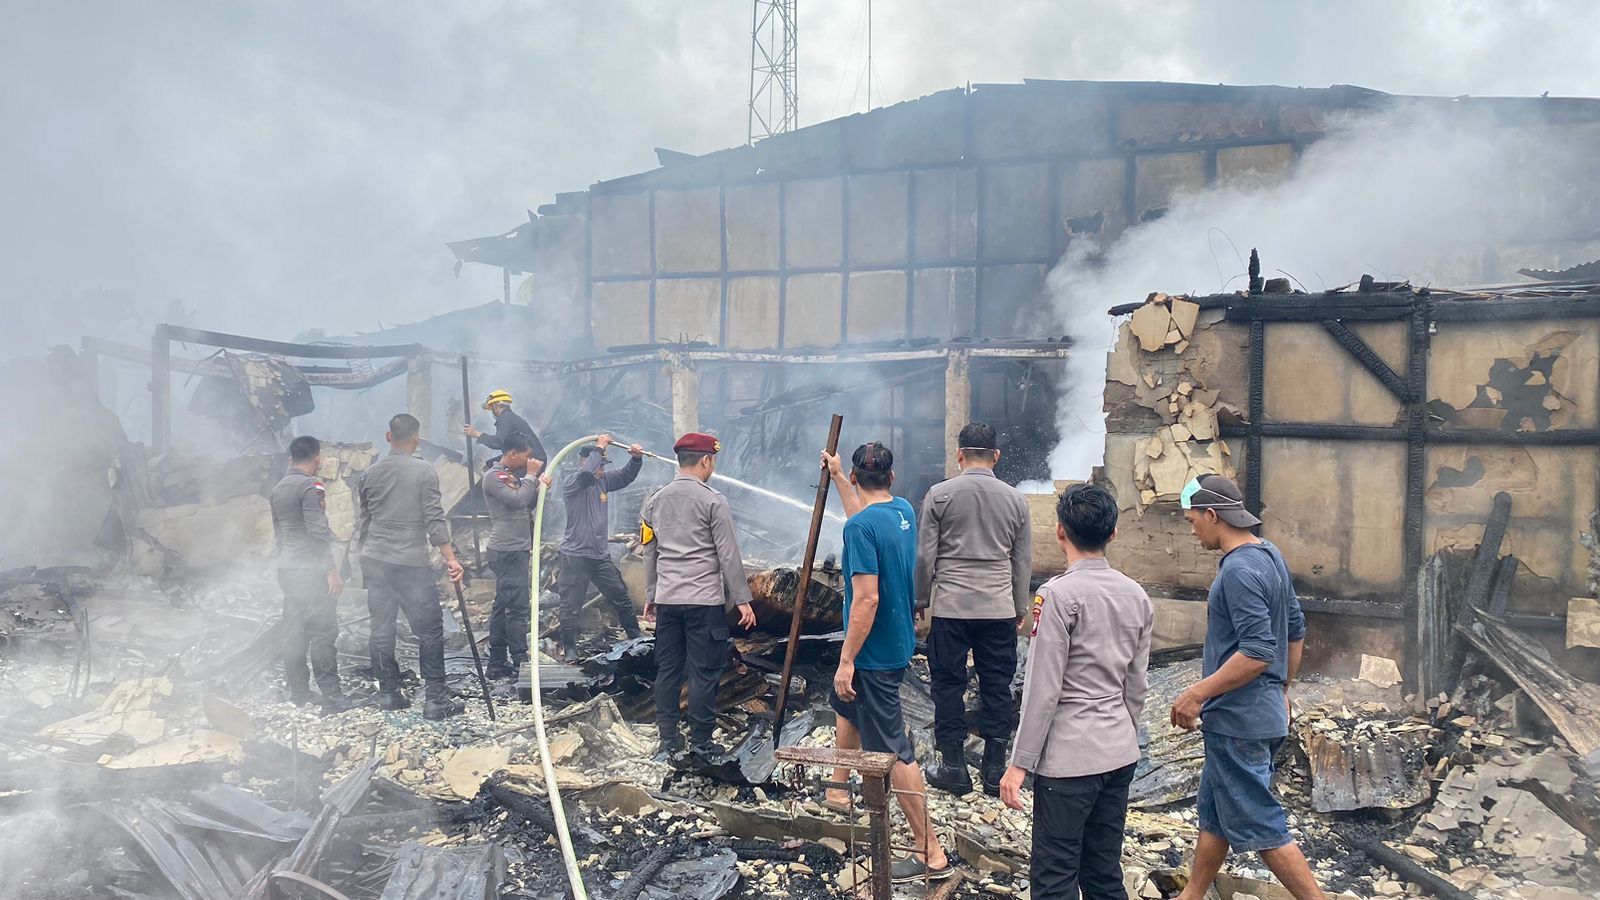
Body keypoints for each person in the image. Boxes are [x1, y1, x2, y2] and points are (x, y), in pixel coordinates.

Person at [1169, 475, 1324, 900]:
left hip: (1239, 721)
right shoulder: (1269, 553)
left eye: (1192, 519)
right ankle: (1193, 894)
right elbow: (1295, 629)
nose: (1192, 528)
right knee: (1215, 812)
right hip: (1261, 712)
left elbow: (1257, 651)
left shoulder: (1238, 571)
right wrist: (1283, 690)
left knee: (1259, 823)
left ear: (1213, 515)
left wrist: (1197, 692)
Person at [999, 484, 1153, 899]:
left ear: (1060, 531)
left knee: (1054, 877)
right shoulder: (1137, 596)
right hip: (1119, 751)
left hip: (1069, 762)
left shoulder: (1056, 595)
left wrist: (1019, 763)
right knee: (1103, 871)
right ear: (1114, 534)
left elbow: (1042, 688)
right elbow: (1136, 683)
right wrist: (1122, 732)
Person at [821, 442, 952, 883]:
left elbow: (867, 599)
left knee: (894, 751)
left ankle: (928, 851)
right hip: (897, 643)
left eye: (851, 479)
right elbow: (863, 516)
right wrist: (839, 476)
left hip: (873, 655)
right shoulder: (901, 512)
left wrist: (846, 658)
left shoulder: (859, 529)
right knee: (845, 705)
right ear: (892, 478)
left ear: (860, 478)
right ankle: (840, 789)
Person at [917, 422, 1033, 797]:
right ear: (996, 456)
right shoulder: (1016, 500)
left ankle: (952, 766)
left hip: (951, 607)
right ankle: (995, 769)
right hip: (998, 608)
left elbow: (925, 556)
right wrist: (1019, 605)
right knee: (997, 685)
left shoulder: (939, 495)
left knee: (948, 685)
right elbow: (1021, 560)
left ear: (959, 455)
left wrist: (921, 599)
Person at [641, 432, 757, 762]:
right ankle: (701, 744)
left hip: (668, 601)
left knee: (668, 670)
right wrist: (743, 600)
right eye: (713, 462)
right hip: (703, 602)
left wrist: (651, 594)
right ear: (705, 461)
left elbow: (649, 553)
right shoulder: (713, 501)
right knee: (703, 673)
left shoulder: (654, 500)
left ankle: (667, 743)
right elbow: (729, 555)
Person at [356, 413, 468, 720]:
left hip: (375, 560)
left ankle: (389, 694)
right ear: (416, 439)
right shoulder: (425, 472)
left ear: (388, 436)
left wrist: (360, 559)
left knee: (381, 628)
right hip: (410, 564)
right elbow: (434, 519)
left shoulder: (369, 474)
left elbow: (363, 523)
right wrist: (451, 559)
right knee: (430, 630)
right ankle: (435, 700)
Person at [269, 435, 357, 713]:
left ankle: (299, 693)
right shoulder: (311, 487)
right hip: (311, 571)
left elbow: (279, 535)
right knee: (323, 630)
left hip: (288, 569)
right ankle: (332, 695)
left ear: (290, 458)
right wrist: (331, 571)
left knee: (293, 631)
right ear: (317, 458)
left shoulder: (278, 488)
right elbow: (318, 532)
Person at [557, 433, 645, 660]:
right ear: (585, 461)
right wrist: (599, 447)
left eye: (604, 466)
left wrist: (635, 459)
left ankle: (636, 635)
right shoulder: (573, 482)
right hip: (575, 556)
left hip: (599, 555)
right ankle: (570, 649)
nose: (602, 470)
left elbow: (625, 477)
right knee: (571, 605)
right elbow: (587, 474)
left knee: (620, 594)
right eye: (599, 465)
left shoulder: (602, 481)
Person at [479, 433, 550, 679]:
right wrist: (531, 476)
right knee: (517, 608)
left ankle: (497, 663)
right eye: (526, 456)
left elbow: (525, 502)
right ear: (512, 454)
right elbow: (518, 501)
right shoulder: (494, 477)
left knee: (502, 606)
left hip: (515, 549)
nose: (529, 460)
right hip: (507, 551)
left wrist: (538, 485)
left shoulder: (510, 477)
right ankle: (521, 662)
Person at [464, 389, 547, 466]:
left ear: (495, 405)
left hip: (531, 461)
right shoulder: (510, 417)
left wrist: (476, 434)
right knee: (490, 464)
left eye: (491, 408)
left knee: (495, 471)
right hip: (532, 459)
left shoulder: (506, 418)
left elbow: (497, 443)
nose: (492, 411)